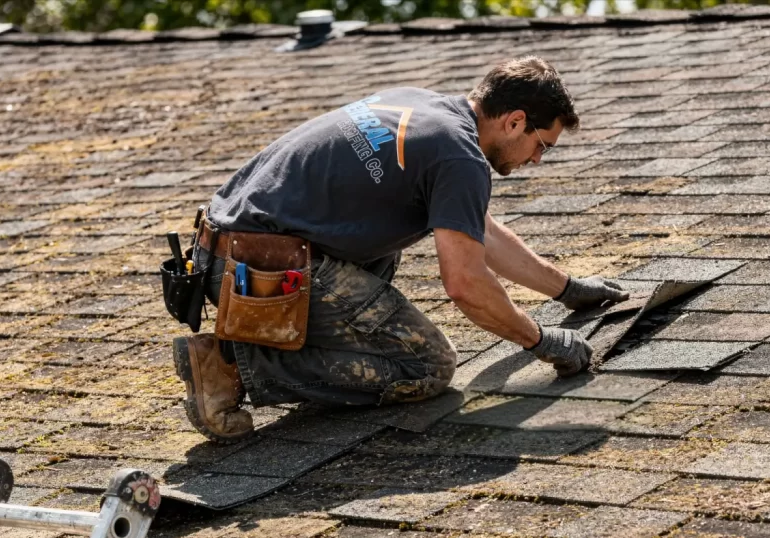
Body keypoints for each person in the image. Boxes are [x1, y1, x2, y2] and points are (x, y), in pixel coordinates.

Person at [173, 56, 628, 443]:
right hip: (263, 269)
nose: (535, 160)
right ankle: (234, 364)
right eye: (540, 145)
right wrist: (540, 341)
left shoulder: (422, 106)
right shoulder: (460, 158)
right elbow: (465, 283)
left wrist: (565, 289)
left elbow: (477, 231)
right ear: (514, 121)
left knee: (388, 240)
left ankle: (275, 342)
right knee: (427, 365)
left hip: (223, 251)